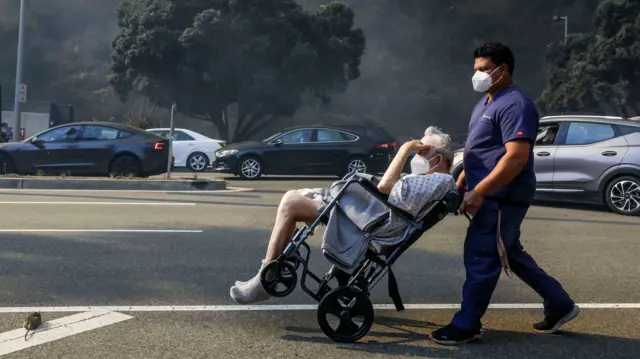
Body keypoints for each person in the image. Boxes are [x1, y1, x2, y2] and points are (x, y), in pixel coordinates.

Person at [429, 42, 580, 346]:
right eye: (476, 70)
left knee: (482, 255)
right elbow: (482, 149)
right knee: (509, 252)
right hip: (488, 192)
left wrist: (480, 190)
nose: (479, 75)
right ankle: (560, 304)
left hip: (501, 197)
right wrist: (463, 180)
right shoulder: (488, 100)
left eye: (484, 69)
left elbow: (515, 157)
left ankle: (467, 324)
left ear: (503, 69)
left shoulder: (515, 104)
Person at [230, 126, 456, 304]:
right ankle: (270, 270)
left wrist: (404, 149)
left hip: (372, 221)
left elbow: (385, 187)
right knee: (295, 195)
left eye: (422, 151)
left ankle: (265, 277)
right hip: (370, 213)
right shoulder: (434, 180)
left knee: (290, 202)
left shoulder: (439, 180)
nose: (417, 156)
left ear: (437, 157)